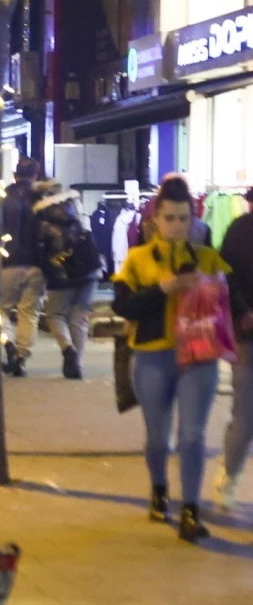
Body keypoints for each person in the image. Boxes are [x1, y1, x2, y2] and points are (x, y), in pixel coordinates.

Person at [112, 174, 229, 543]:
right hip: (152, 357)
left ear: (194, 220)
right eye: (171, 218)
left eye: (184, 218)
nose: (178, 225)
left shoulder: (210, 259)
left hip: (199, 358)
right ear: (156, 219)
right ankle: (159, 489)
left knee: (193, 436)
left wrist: (217, 291)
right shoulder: (138, 259)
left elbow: (231, 304)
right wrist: (163, 288)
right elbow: (122, 304)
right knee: (158, 437)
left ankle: (191, 510)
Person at [35, 181, 102, 380]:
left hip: (62, 273)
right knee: (79, 317)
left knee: (55, 314)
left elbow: (41, 249)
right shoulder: (78, 207)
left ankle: (68, 349)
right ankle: (77, 365)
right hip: (90, 269)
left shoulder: (42, 217)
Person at [213, 187, 253, 510]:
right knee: (246, 413)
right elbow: (225, 276)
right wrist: (241, 311)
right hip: (248, 333)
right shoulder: (239, 230)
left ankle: (230, 475)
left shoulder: (239, 228)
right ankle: (230, 474)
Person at [0, 157, 46, 377]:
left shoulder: (4, 198)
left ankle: (8, 344)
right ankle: (21, 357)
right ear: (36, 176)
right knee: (29, 313)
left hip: (7, 262)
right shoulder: (44, 199)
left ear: (16, 176)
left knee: (0, 310)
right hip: (37, 265)